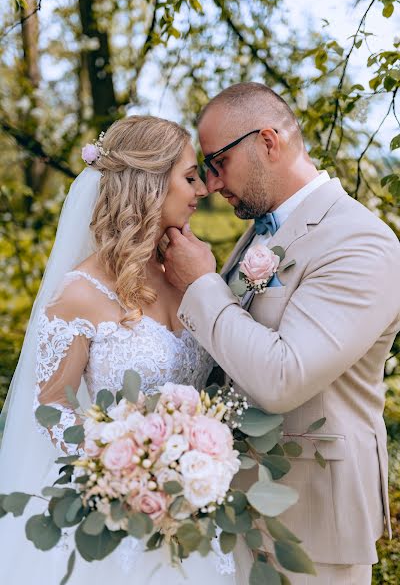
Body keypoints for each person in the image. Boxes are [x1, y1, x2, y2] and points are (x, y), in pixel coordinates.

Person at [163, 82, 400, 584]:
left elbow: (283, 379)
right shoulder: (260, 230)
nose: (208, 184)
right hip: (235, 511)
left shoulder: (362, 243)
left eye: (217, 162)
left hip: (312, 523)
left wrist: (202, 285)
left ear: (268, 142)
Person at [0, 115, 243, 584]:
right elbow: (50, 406)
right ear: (149, 183)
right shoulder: (81, 292)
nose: (203, 189)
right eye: (189, 177)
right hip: (117, 511)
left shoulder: (189, 273)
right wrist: (125, 467)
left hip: (192, 507)